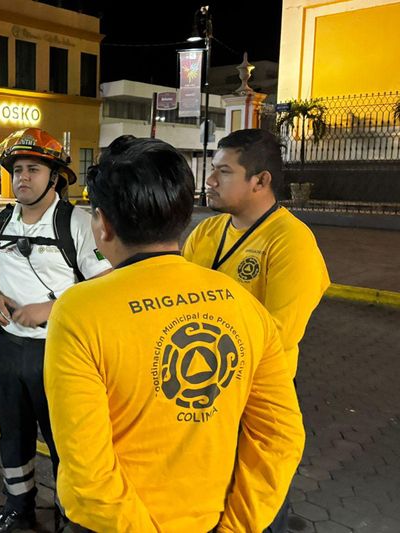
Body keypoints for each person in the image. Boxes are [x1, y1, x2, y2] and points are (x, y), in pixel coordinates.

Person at [44, 136, 305, 532]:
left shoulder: (79, 312)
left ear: (104, 225)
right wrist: (238, 526)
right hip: (215, 519)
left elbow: (87, 468)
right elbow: (279, 435)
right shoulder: (243, 304)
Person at [182, 128, 329, 531]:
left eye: (223, 172)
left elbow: (277, 336)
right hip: (205, 391)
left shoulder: (291, 242)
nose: (209, 181)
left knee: (254, 508)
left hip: (255, 401)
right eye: (212, 170)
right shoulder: (207, 233)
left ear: (260, 181)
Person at [0, 127, 112, 532]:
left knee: (65, 441)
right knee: (12, 435)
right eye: (16, 170)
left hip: (61, 352)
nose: (22, 178)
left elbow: (104, 287)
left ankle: (72, 514)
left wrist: (50, 309)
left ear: (55, 176)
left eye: (32, 169)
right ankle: (19, 509)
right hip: (10, 350)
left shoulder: (77, 223)